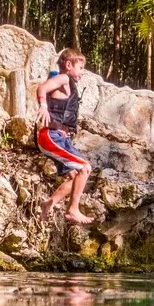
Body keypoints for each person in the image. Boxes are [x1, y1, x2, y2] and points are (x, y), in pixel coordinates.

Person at [35, 48, 94, 226]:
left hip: (61, 138)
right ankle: (73, 209)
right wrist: (43, 106)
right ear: (69, 65)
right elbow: (42, 88)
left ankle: (49, 202)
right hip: (51, 136)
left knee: (76, 176)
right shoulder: (64, 77)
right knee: (85, 168)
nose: (83, 72)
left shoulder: (67, 82)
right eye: (81, 67)